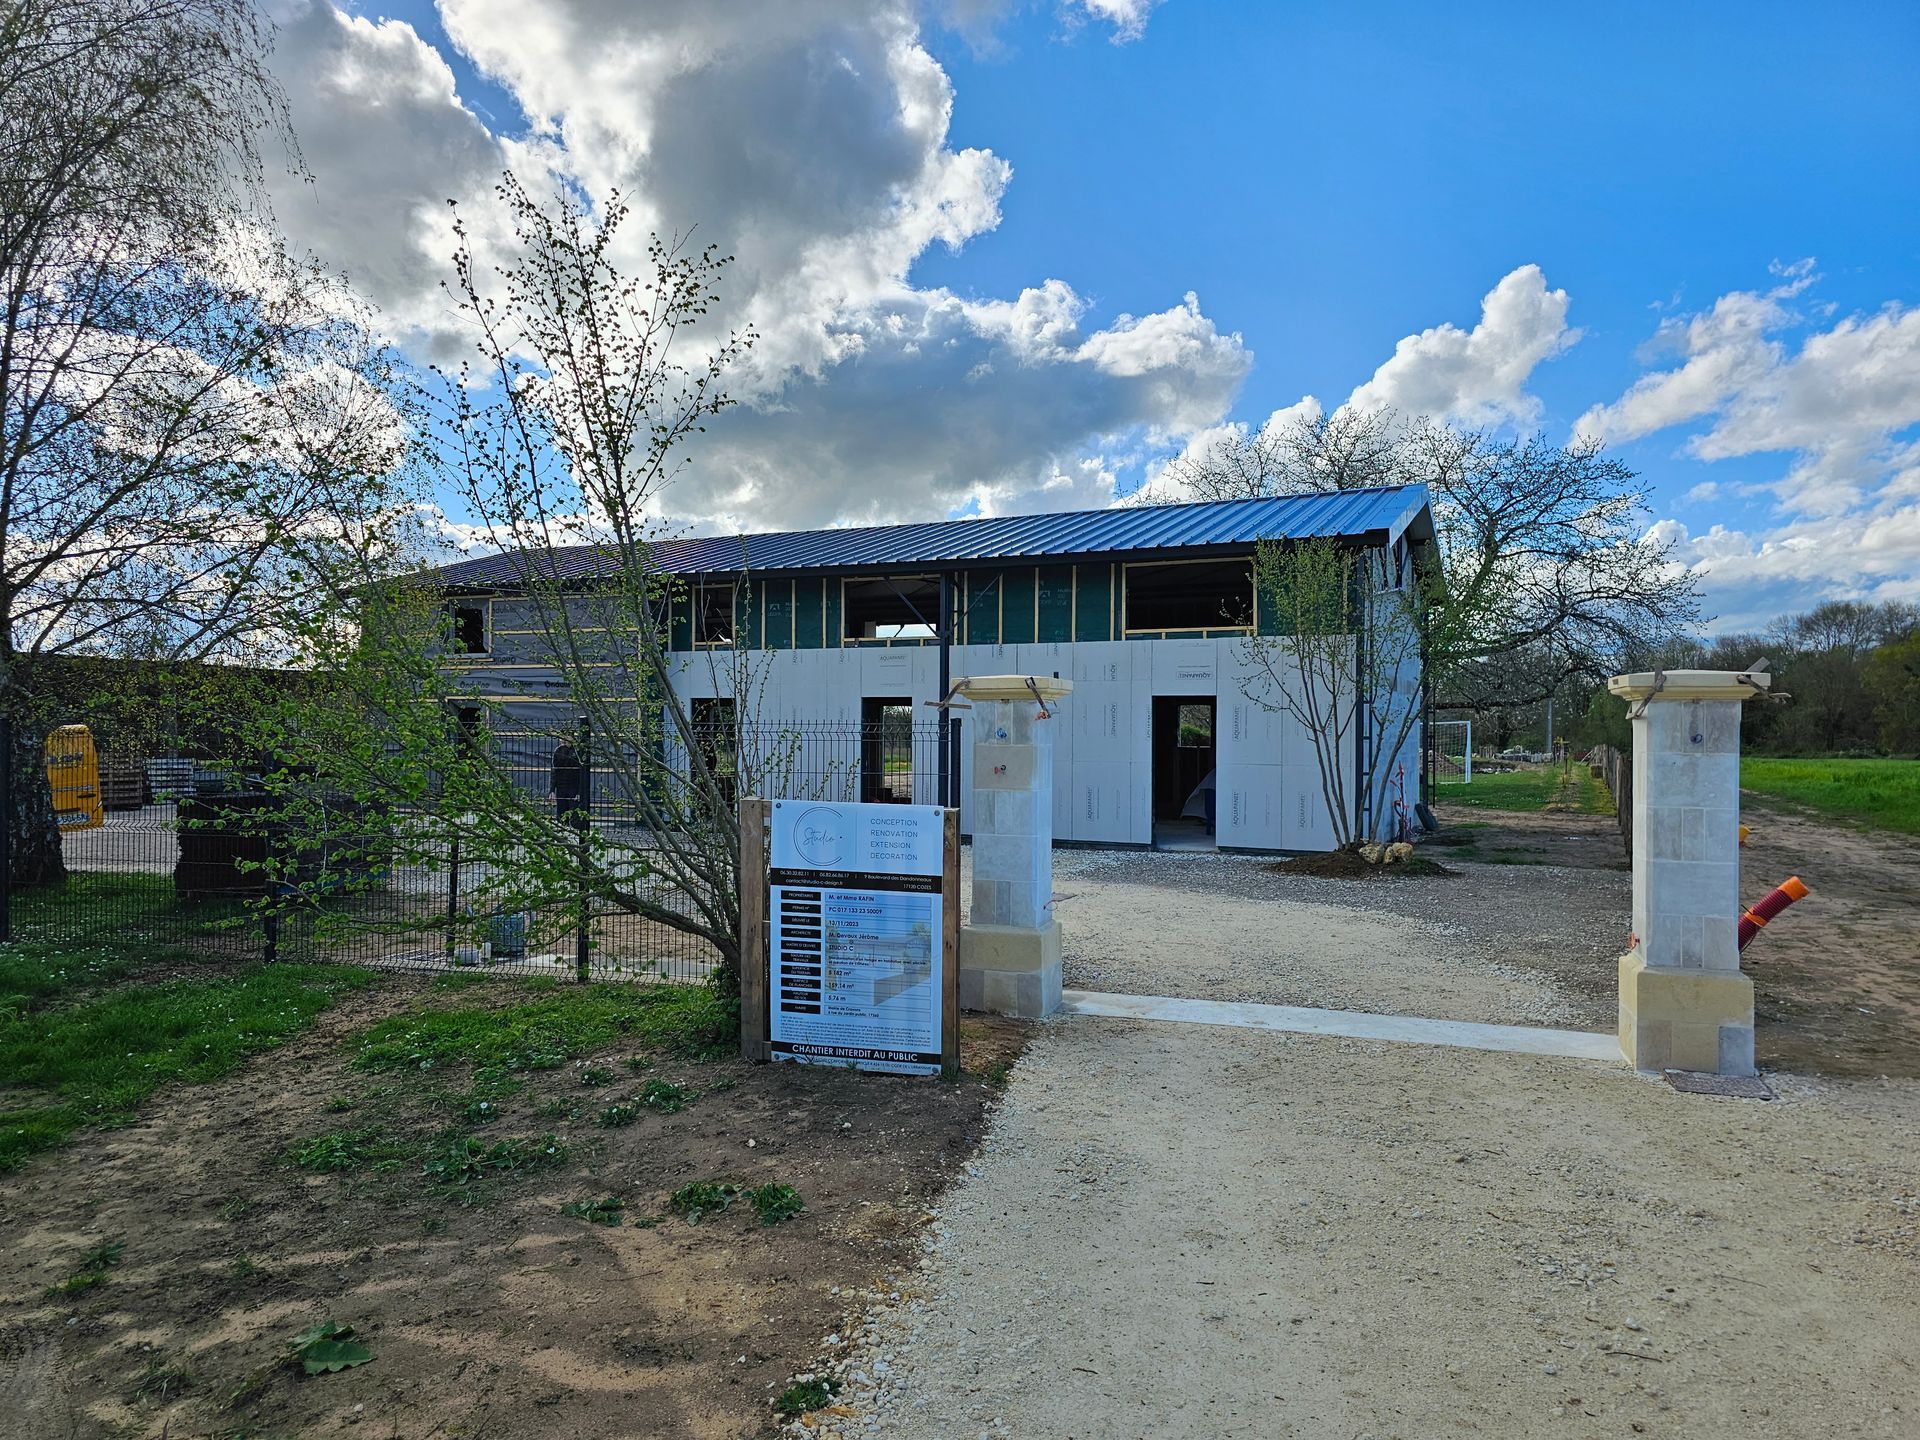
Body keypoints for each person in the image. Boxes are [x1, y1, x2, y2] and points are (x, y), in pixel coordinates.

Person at [550, 740, 587, 825]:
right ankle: (563, 832)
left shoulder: (577, 751)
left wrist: (579, 791)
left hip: (574, 786)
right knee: (561, 814)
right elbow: (555, 770)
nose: (563, 740)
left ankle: (576, 833)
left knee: (574, 814)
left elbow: (582, 773)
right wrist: (552, 790)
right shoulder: (558, 751)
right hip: (561, 787)